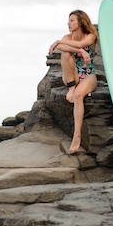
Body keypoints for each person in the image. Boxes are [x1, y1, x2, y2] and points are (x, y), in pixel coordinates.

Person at [48, 9, 98, 153]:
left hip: (88, 75)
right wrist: (81, 51)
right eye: (68, 20)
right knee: (65, 53)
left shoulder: (91, 35)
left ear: (81, 22)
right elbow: (64, 48)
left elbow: (79, 44)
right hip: (72, 75)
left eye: (72, 20)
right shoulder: (67, 37)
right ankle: (71, 88)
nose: (68, 23)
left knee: (78, 96)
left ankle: (77, 136)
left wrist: (58, 41)